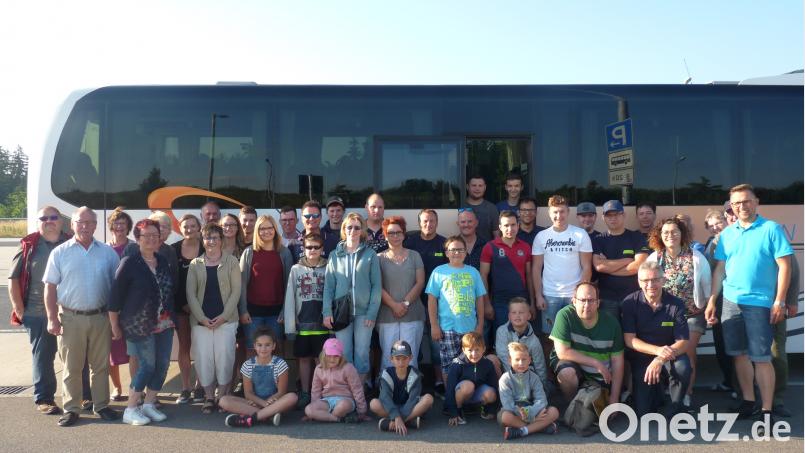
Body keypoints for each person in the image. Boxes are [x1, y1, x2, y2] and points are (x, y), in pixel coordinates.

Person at [704, 184, 793, 423]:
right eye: (736, 203)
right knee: (739, 355)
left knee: (762, 358)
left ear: (756, 202)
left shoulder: (771, 229)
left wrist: (779, 300)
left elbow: (785, 266)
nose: (741, 206)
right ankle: (748, 401)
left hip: (760, 303)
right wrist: (712, 299)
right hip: (731, 302)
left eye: (746, 201)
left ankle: (766, 410)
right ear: (731, 207)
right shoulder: (727, 234)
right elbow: (720, 269)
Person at [44, 207, 121, 427]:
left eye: (89, 222)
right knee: (72, 367)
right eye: (80, 222)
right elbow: (50, 287)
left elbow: (117, 287)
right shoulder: (59, 253)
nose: (85, 226)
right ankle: (72, 409)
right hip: (70, 318)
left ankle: (102, 405)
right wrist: (52, 318)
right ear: (72, 225)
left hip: (100, 317)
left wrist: (115, 320)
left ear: (96, 225)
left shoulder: (108, 253)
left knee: (100, 366)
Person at [109, 219, 175, 425]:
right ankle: (130, 409)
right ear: (137, 239)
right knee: (147, 366)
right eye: (147, 235)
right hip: (139, 324)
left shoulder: (162, 260)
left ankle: (148, 404)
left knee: (162, 365)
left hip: (165, 323)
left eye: (155, 235)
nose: (152, 239)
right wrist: (114, 325)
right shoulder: (129, 263)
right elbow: (115, 297)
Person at [8, 206, 70, 415]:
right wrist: (20, 310)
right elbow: (13, 279)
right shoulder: (29, 246)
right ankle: (44, 399)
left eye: (53, 217)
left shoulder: (71, 242)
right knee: (43, 358)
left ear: (61, 221)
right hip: (37, 313)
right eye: (44, 218)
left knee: (76, 357)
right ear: (38, 222)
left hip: (69, 312)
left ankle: (81, 397)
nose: (49, 221)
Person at [646, 217, 711, 408]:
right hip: (663, 315)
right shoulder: (655, 258)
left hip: (692, 314)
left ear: (682, 234)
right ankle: (668, 389)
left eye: (675, 231)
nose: (670, 235)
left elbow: (707, 288)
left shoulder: (696, 257)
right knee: (664, 350)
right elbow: (645, 285)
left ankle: (686, 394)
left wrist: (709, 308)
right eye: (666, 232)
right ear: (660, 236)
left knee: (687, 352)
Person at [621, 262, 691, 417]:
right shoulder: (629, 303)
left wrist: (660, 359)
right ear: (639, 282)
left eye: (655, 280)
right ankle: (658, 390)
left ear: (663, 280)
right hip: (641, 356)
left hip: (669, 355)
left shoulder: (676, 304)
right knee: (644, 412)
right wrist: (657, 351)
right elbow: (630, 340)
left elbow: (684, 342)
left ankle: (676, 407)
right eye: (645, 281)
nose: (650, 285)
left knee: (682, 367)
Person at [186, 223, 242, 414]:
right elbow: (190, 294)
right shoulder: (195, 264)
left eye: (215, 237)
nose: (211, 241)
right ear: (203, 240)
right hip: (201, 322)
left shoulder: (232, 261)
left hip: (226, 321)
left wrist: (224, 317)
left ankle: (222, 397)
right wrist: (201, 318)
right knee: (204, 359)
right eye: (208, 237)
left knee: (225, 358)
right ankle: (209, 397)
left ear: (221, 240)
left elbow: (236, 291)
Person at [322, 212, 382, 386]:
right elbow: (329, 286)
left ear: (362, 230)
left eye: (357, 227)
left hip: (364, 313)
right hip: (342, 312)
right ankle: (347, 389)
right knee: (344, 353)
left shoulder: (370, 254)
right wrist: (327, 312)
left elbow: (376, 285)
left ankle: (360, 389)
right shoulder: (334, 255)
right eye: (349, 227)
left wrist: (372, 312)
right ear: (344, 229)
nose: (353, 231)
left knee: (362, 353)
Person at [549, 282, 623, 406]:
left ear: (598, 303)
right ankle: (571, 406)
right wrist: (595, 363)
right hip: (576, 367)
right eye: (582, 300)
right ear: (574, 301)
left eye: (591, 300)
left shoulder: (611, 323)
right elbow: (562, 352)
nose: (587, 305)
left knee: (602, 410)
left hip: (600, 376)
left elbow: (617, 361)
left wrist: (614, 397)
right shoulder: (565, 315)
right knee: (566, 373)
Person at [426, 235, 486, 376]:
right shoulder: (438, 272)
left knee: (471, 364)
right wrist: (434, 325)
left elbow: (480, 300)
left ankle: (468, 389)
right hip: (447, 329)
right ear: (447, 253)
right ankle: (450, 391)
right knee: (449, 367)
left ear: (466, 252)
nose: (457, 253)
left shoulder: (473, 272)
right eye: (453, 250)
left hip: (470, 328)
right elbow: (432, 300)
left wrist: (480, 325)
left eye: (460, 250)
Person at [532, 195, 592, 334]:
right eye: (555, 212)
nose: (559, 216)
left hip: (574, 296)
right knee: (550, 335)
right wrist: (538, 295)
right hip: (549, 295)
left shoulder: (580, 234)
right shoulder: (541, 236)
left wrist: (580, 294)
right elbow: (536, 268)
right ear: (549, 213)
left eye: (562, 211)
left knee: (575, 335)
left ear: (568, 212)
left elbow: (587, 267)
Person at [403, 208, 448, 395]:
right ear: (419, 223)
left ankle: (438, 381)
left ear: (437, 222)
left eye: (432, 221)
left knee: (436, 344)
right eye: (425, 221)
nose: (428, 224)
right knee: (413, 342)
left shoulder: (444, 244)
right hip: (412, 299)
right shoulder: (410, 243)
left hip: (438, 302)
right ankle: (412, 381)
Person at [284, 233, 330, 410]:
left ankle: (321, 393)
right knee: (303, 359)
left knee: (321, 360)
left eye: (316, 247)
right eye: (309, 247)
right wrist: (290, 325)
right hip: (302, 323)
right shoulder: (296, 269)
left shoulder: (329, 267)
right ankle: (305, 391)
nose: (312, 250)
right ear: (303, 248)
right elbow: (290, 297)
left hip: (322, 324)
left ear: (322, 249)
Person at [219, 327, 298, 428]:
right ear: (254, 346)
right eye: (259, 345)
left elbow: (281, 392)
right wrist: (263, 403)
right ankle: (268, 416)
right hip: (255, 402)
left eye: (267, 345)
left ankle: (252, 418)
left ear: (273, 346)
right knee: (224, 400)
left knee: (292, 397)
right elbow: (248, 393)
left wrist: (269, 402)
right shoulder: (247, 365)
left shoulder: (280, 364)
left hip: (275, 402)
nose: (263, 349)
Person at [239, 215, 292, 354]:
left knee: (277, 350)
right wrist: (243, 310)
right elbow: (241, 284)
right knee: (252, 350)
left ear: (275, 229)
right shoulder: (249, 252)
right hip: (253, 313)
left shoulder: (284, 252)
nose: (266, 231)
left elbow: (289, 285)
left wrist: (285, 311)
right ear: (257, 231)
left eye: (270, 228)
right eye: (262, 228)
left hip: (276, 313)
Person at [377, 217, 426, 370]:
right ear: (385, 236)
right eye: (391, 233)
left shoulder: (414, 256)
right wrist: (394, 305)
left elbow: (420, 282)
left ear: (404, 234)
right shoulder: (378, 258)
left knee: (410, 358)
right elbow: (377, 286)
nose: (395, 236)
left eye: (398, 232)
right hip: (387, 316)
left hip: (412, 314)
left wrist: (404, 304)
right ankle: (387, 385)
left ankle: (411, 385)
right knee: (388, 359)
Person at [592, 200, 650, 319]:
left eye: (616, 214)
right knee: (610, 330)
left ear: (623, 215)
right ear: (603, 218)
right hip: (606, 299)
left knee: (632, 329)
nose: (613, 218)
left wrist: (608, 267)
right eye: (609, 215)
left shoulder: (636, 237)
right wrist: (627, 260)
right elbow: (599, 266)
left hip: (633, 297)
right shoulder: (598, 240)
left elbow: (639, 266)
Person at [171, 214, 205, 404]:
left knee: (201, 348)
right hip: (180, 307)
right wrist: (184, 303)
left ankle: (200, 386)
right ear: (180, 228)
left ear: (199, 227)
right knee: (184, 347)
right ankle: (185, 387)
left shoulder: (206, 248)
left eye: (193, 226)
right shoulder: (173, 250)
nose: (189, 229)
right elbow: (172, 281)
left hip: (202, 308)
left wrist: (197, 305)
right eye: (186, 226)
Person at [480, 211, 532, 334]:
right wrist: (487, 304)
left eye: (513, 225)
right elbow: (483, 276)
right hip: (499, 301)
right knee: (502, 336)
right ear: (500, 227)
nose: (510, 229)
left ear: (518, 226)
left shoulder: (525, 247)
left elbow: (529, 276)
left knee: (522, 337)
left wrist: (532, 303)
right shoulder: (490, 247)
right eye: (506, 225)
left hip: (521, 299)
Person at [702, 209, 735, 396]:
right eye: (711, 226)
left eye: (718, 223)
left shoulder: (732, 238)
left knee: (732, 344)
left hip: (729, 297)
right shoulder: (711, 242)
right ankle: (729, 381)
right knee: (720, 343)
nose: (715, 227)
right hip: (716, 298)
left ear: (726, 220)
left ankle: (739, 386)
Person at [371, 340, 434, 435]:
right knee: (374, 404)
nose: (401, 362)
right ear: (391, 359)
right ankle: (408, 422)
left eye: (404, 358)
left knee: (428, 399)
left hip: (410, 407)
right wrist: (396, 416)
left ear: (410, 358)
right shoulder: (386, 374)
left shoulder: (415, 374)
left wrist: (399, 418)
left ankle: (394, 423)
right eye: (397, 359)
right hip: (392, 407)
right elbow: (385, 398)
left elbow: (413, 399)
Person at [499, 342, 559, 440]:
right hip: (515, 412)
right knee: (505, 417)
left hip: (532, 408)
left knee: (554, 412)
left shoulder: (534, 377)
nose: (521, 363)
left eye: (524, 359)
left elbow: (541, 400)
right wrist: (530, 418)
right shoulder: (505, 379)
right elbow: (508, 404)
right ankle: (540, 427)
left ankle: (523, 431)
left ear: (529, 360)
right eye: (517, 359)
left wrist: (530, 413)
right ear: (510, 360)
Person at [105, 208, 135, 402]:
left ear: (128, 227)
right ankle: (117, 387)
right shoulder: (104, 249)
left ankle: (135, 388)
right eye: (116, 224)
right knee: (112, 351)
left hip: (131, 308)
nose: (119, 227)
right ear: (111, 227)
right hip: (111, 308)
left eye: (123, 224)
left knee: (134, 351)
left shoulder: (135, 248)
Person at [304, 338, 368, 423]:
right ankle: (338, 419)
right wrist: (314, 408)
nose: (332, 359)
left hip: (346, 399)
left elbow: (357, 389)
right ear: (323, 355)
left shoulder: (348, 367)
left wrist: (361, 411)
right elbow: (316, 390)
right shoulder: (319, 369)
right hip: (327, 401)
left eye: (336, 356)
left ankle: (325, 416)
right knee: (308, 409)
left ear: (341, 356)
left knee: (342, 406)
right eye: (329, 355)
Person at [444, 332, 498, 425]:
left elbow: (494, 385)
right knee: (468, 386)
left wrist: (492, 409)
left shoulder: (488, 364)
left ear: (484, 349)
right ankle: (459, 410)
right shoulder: (457, 364)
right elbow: (450, 388)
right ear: (463, 350)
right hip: (461, 394)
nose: (474, 354)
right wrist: (453, 412)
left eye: (477, 349)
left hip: (476, 395)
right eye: (470, 350)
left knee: (491, 393)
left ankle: (480, 408)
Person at [494, 297, 547, 385]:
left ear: (529, 316)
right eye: (514, 313)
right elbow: (503, 357)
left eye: (521, 312)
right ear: (509, 316)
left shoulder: (534, 341)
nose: (517, 315)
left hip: (527, 377)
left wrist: (542, 386)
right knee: (493, 359)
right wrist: (515, 379)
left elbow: (540, 365)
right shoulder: (502, 332)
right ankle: (499, 390)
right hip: (507, 375)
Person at [462, 175, 498, 243]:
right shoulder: (460, 206)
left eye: (480, 186)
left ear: (485, 187)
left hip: (486, 248)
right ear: (467, 187)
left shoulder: (492, 208)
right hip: (463, 249)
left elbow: (496, 235)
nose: (477, 189)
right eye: (474, 185)